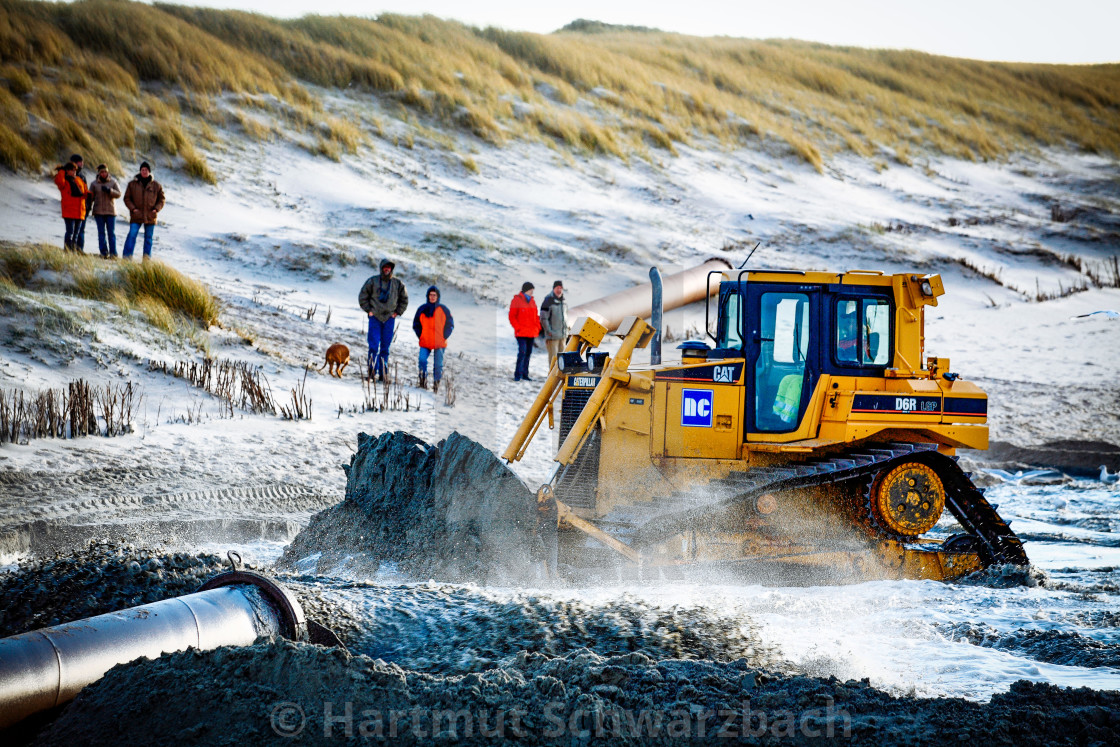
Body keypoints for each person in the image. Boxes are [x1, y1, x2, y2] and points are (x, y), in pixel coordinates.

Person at [359, 259, 408, 381]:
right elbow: (362, 296)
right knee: (373, 346)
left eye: (389, 267)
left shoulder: (398, 284)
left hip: (389, 319)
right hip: (375, 318)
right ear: (381, 268)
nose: (387, 269)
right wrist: (368, 310)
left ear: (391, 269)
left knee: (385, 348)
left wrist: (397, 313)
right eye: (384, 267)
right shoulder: (373, 281)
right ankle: (371, 373)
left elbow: (404, 300)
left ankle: (383, 374)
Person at [412, 285, 454, 392]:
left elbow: (450, 325)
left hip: (439, 342)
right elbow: (416, 324)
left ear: (438, 297)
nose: (432, 297)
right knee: (422, 360)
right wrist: (421, 335)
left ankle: (436, 386)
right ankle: (422, 382)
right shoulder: (422, 309)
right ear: (428, 296)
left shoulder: (444, 309)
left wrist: (444, 336)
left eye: (434, 295)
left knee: (438, 365)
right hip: (425, 341)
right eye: (430, 295)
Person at [122, 161, 165, 261]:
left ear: (149, 172)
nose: (144, 171)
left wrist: (156, 208)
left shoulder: (156, 186)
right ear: (140, 171)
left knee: (148, 239)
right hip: (136, 215)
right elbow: (127, 198)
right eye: (142, 170)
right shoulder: (132, 184)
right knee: (131, 236)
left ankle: (146, 261)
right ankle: (127, 259)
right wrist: (133, 209)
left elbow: (162, 199)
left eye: (146, 170)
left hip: (150, 215)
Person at [52, 160, 88, 252]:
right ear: (67, 170)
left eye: (75, 170)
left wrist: (90, 196)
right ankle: (67, 251)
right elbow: (59, 181)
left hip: (80, 212)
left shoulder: (79, 180)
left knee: (76, 234)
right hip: (69, 212)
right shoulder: (64, 181)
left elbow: (85, 193)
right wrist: (62, 170)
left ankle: (72, 252)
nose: (74, 172)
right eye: (72, 170)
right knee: (70, 233)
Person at [508, 281, 540, 382]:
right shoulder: (516, 300)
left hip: (531, 332)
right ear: (526, 290)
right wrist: (518, 328)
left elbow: (536, 317)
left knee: (528, 353)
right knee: (522, 352)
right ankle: (517, 374)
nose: (532, 292)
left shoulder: (532, 301)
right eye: (531, 290)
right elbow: (512, 316)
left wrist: (537, 327)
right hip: (521, 333)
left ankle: (525, 374)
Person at [89, 164, 121, 258]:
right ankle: (103, 253)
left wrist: (110, 190)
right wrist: (88, 207)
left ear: (108, 172)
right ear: (99, 173)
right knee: (101, 233)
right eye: (101, 172)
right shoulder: (94, 184)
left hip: (111, 211)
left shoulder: (113, 182)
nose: (103, 174)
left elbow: (119, 194)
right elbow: (90, 197)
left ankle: (113, 253)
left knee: (111, 233)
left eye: (105, 172)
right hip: (98, 212)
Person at [539, 279, 569, 369]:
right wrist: (549, 331)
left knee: (562, 359)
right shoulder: (548, 300)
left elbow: (565, 316)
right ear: (553, 289)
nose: (559, 290)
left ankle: (559, 378)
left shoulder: (564, 301)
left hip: (563, 335)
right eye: (557, 288)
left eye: (561, 288)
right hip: (552, 336)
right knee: (553, 359)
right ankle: (551, 379)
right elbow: (543, 318)